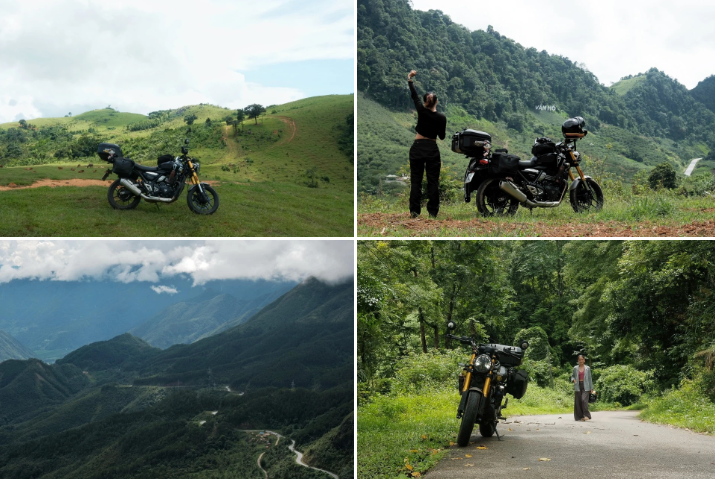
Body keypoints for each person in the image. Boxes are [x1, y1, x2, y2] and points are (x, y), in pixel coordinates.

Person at [407, 70, 447, 219]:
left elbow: (414, 95)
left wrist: (410, 79)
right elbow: (442, 137)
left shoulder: (421, 110)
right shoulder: (441, 118)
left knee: (416, 180)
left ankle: (415, 212)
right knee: (432, 182)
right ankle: (432, 213)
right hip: (431, 148)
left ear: (425, 102)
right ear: (436, 102)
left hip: (417, 147)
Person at [571, 354, 595, 421]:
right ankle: (579, 417)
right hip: (578, 385)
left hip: (586, 386)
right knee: (578, 402)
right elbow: (572, 376)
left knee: (584, 400)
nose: (581, 361)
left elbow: (590, 378)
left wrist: (591, 388)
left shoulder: (587, 368)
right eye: (579, 360)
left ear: (584, 360)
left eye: (582, 359)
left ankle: (587, 415)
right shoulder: (575, 368)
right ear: (578, 361)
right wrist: (573, 379)